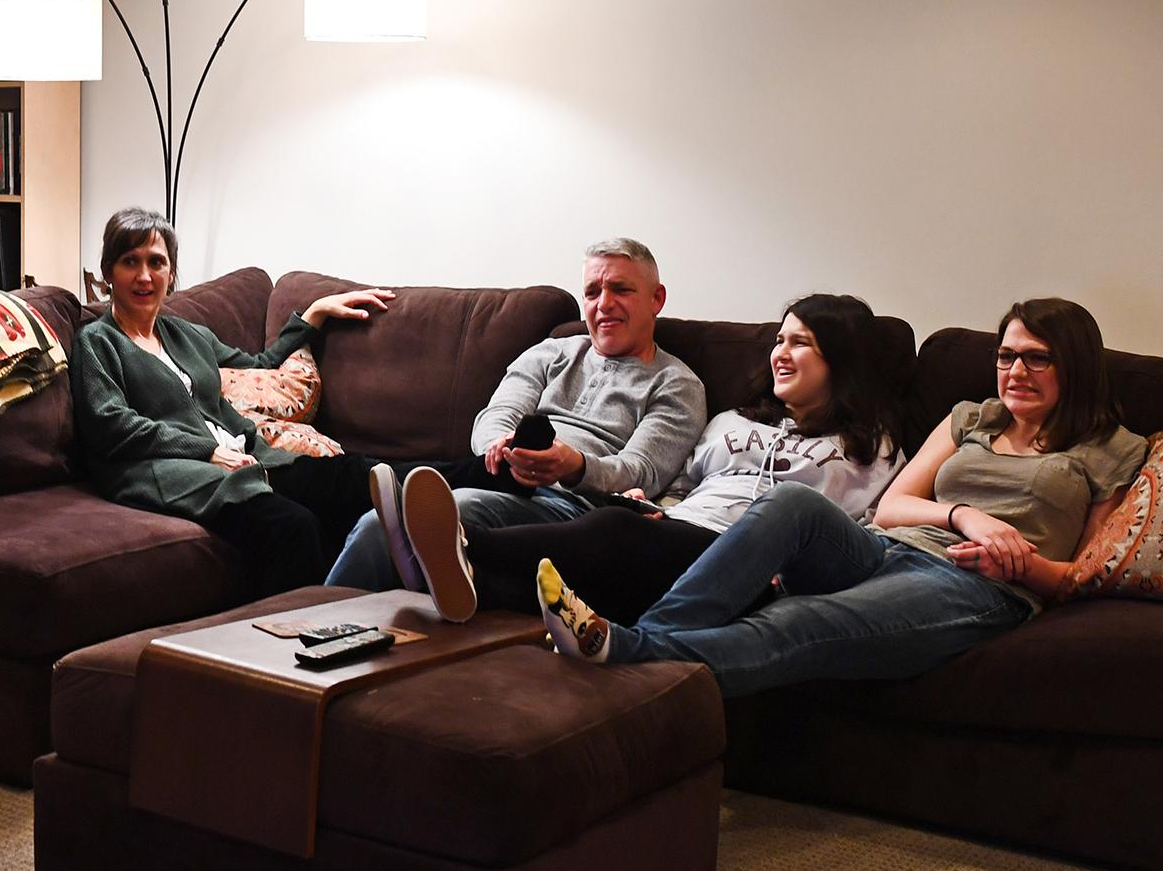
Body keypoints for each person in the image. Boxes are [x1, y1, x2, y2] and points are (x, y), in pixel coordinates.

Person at [537, 297, 1148, 694]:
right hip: (884, 547)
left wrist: (1020, 563)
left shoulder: (1113, 449)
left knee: (796, 619)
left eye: (1037, 359)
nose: (1015, 372)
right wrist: (966, 515)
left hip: (976, 585)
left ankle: (622, 655)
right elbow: (894, 507)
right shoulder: (973, 417)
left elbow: (1089, 573)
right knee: (789, 503)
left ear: (1075, 366)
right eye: (1006, 356)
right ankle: (637, 643)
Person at [399, 294, 905, 625]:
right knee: (605, 566)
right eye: (779, 340)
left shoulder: (870, 446)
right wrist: (652, 503)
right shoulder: (733, 419)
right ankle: (466, 583)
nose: (780, 354)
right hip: (677, 532)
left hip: (749, 557)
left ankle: (461, 543)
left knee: (613, 530)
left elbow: (859, 533)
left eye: (801, 343)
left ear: (840, 360)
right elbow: (682, 488)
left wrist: (790, 567)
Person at [325, 236, 708, 618]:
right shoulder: (551, 352)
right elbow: (496, 415)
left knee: (425, 516)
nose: (603, 304)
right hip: (499, 478)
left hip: (571, 509)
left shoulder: (677, 385)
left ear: (656, 299)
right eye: (592, 292)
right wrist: (501, 446)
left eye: (620, 289)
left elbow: (640, 470)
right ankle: (313, 627)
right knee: (377, 524)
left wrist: (573, 465)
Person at [70, 207, 398, 597]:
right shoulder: (96, 342)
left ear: (171, 275)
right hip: (179, 475)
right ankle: (292, 631)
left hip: (248, 458)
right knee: (293, 526)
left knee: (355, 477)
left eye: (156, 262)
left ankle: (464, 486)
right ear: (108, 271)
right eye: (130, 262)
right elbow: (111, 424)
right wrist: (207, 451)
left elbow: (259, 365)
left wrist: (314, 315)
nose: (144, 276)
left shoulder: (187, 335)